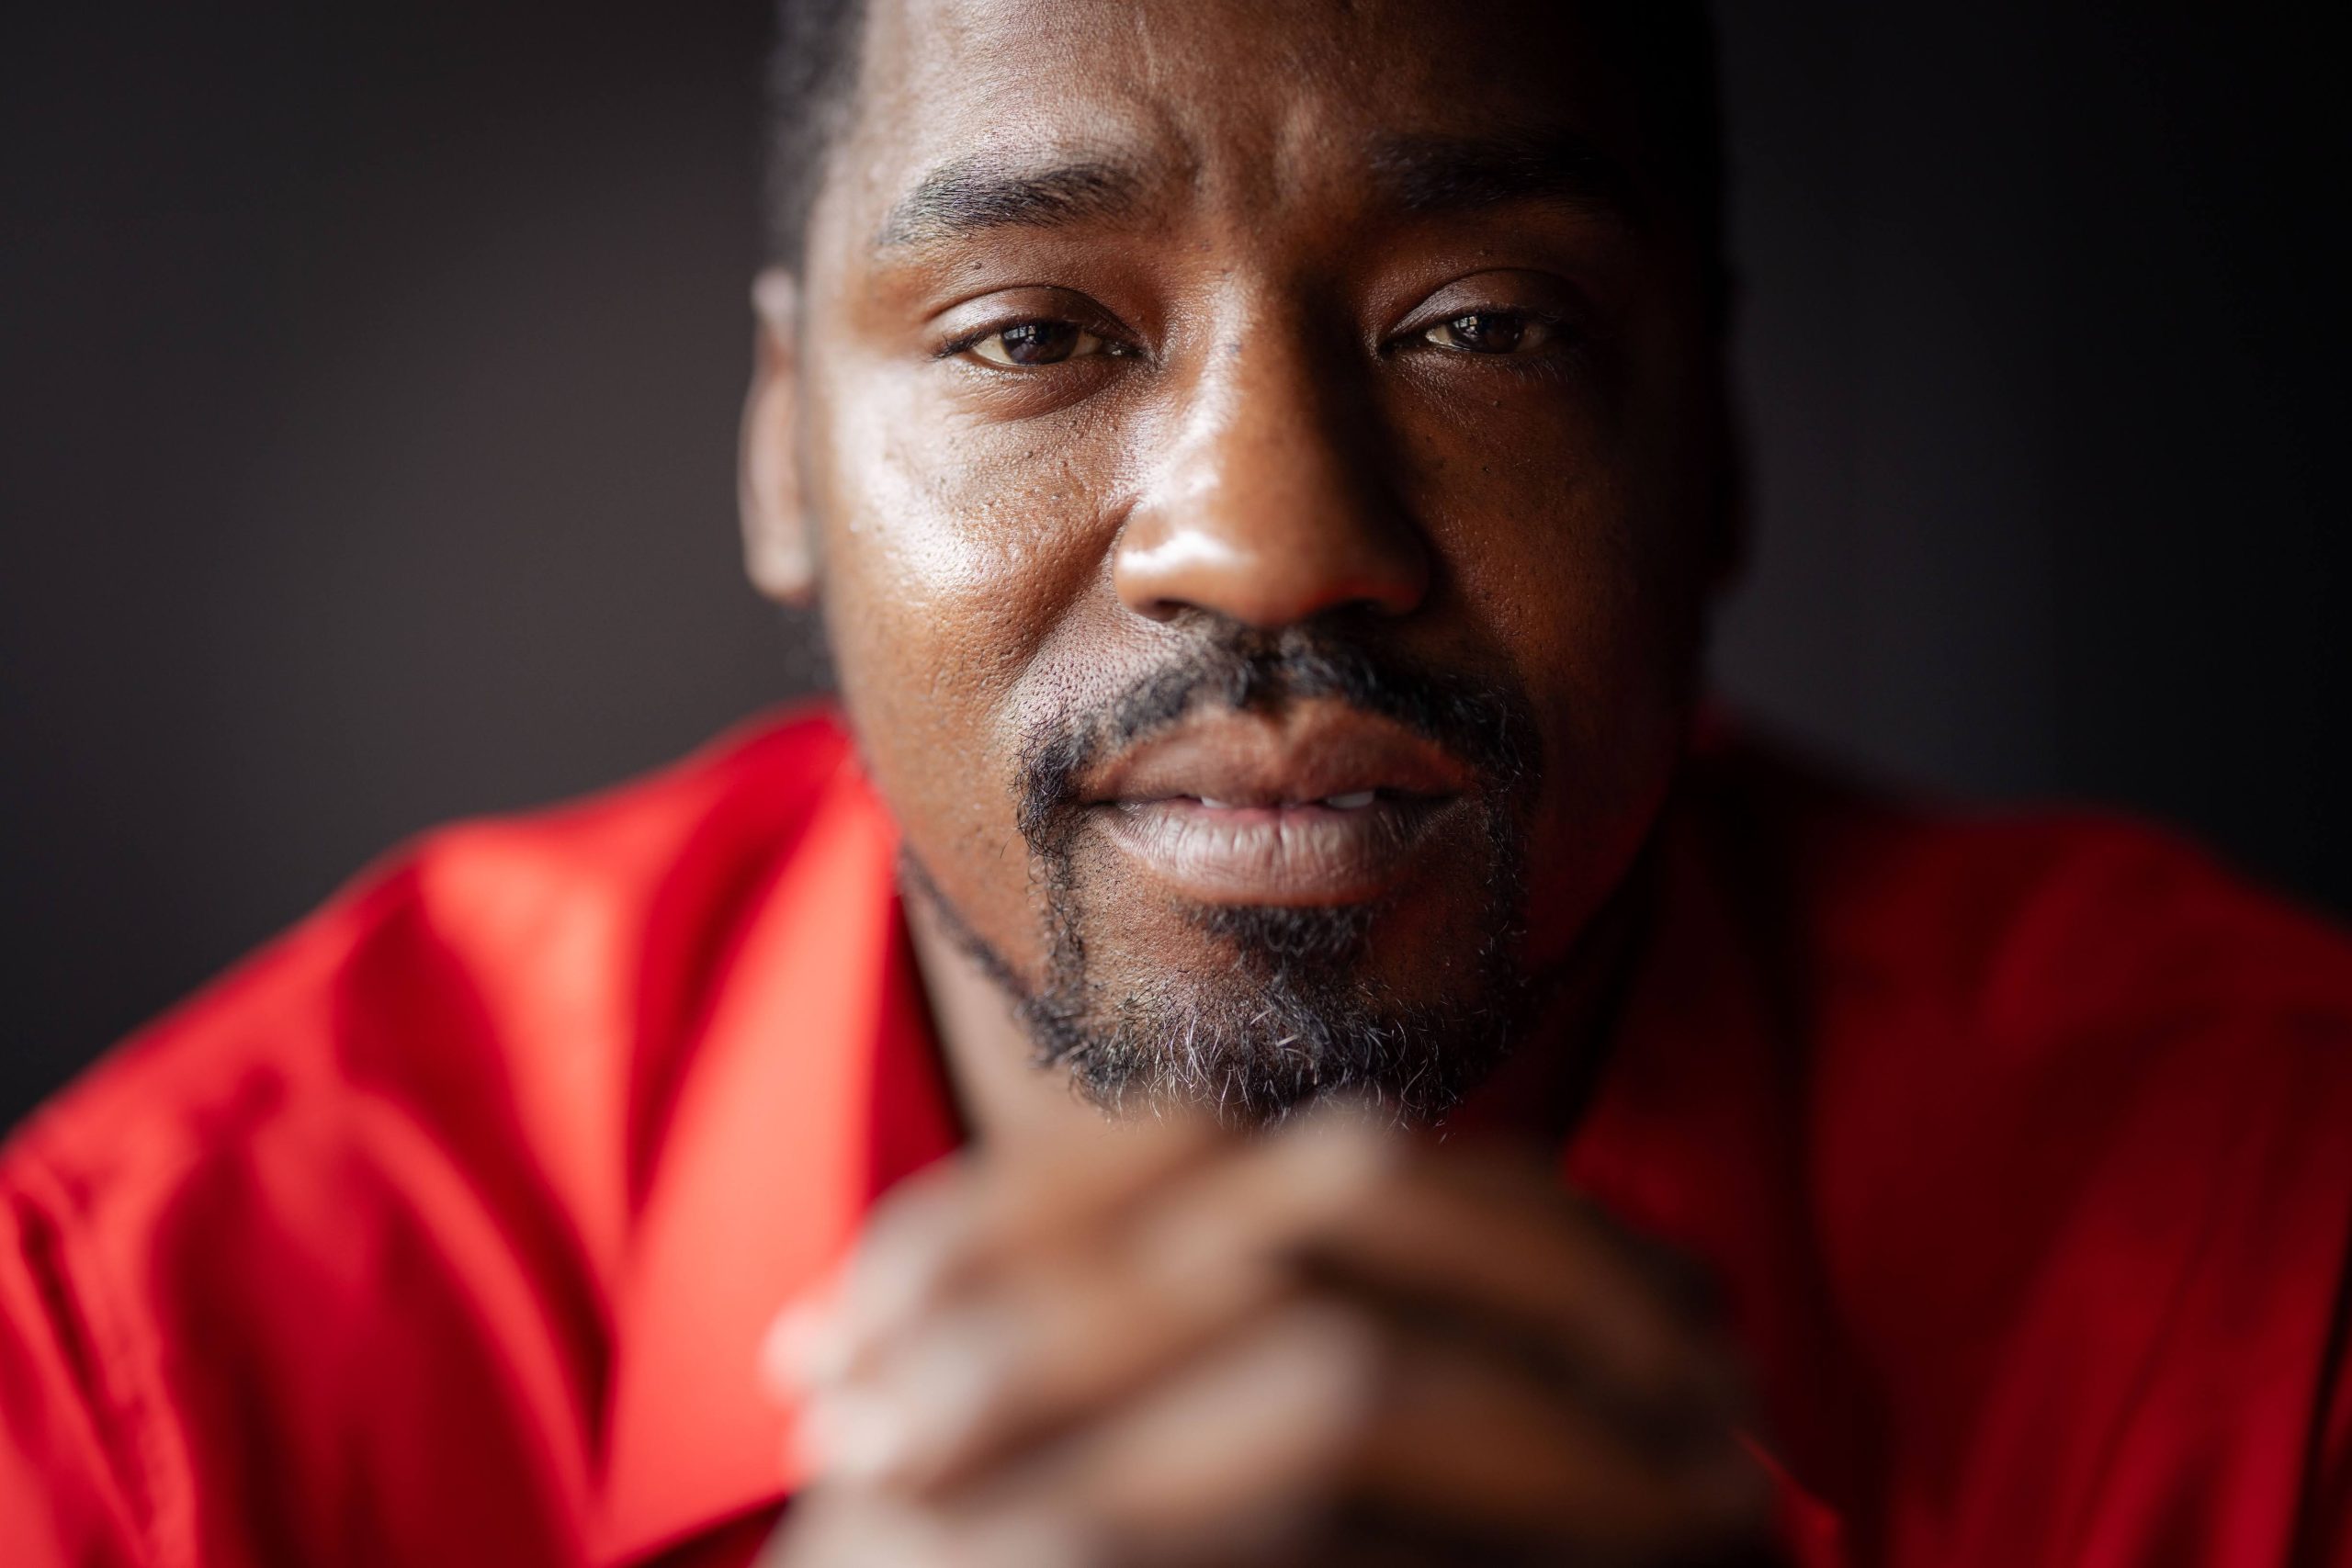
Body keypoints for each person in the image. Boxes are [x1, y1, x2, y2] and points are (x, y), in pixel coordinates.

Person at [5, 0, 2347, 1562]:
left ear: (1711, 440)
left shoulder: (2283, 1225)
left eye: (1482, 326)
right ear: (779, 452)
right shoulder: (142, 1365)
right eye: (1033, 332)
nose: (1273, 536)